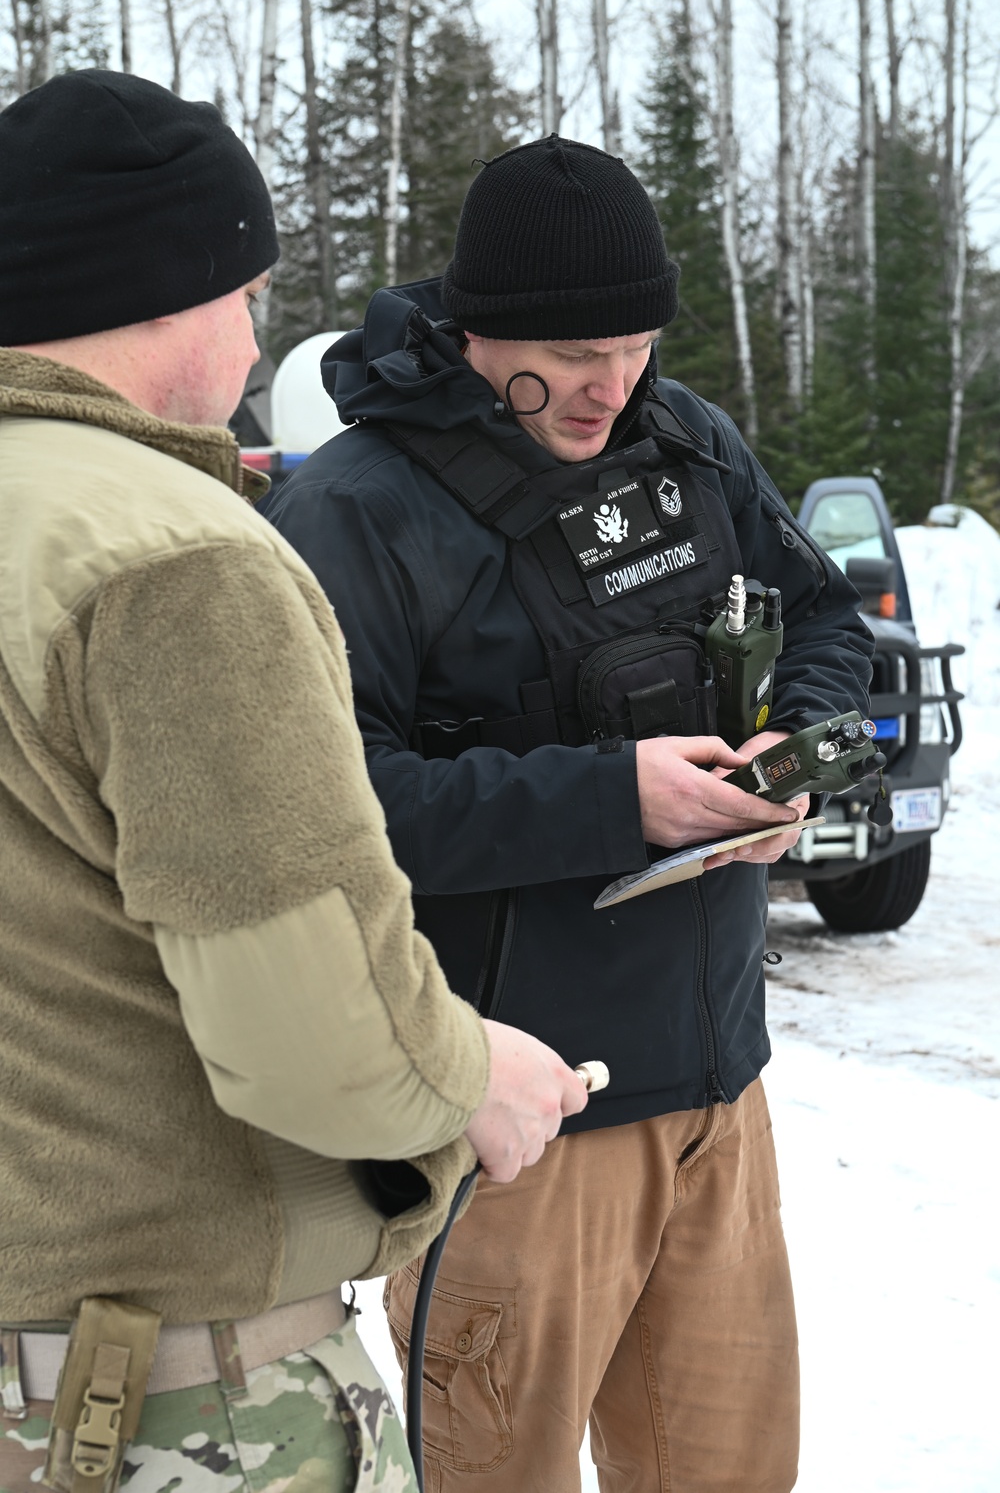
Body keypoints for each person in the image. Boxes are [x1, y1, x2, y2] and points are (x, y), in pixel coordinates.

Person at [0, 76, 588, 1493]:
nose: (258, 337)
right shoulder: (174, 559)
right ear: (165, 288)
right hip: (173, 1408)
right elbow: (314, 1037)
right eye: (247, 291)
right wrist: (471, 1076)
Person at [266, 136, 874, 1493]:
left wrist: (793, 753)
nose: (610, 387)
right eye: (573, 354)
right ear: (479, 330)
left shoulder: (685, 437)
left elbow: (828, 614)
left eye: (635, 345)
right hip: (517, 1135)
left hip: (719, 1091)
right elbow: (323, 809)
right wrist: (614, 799)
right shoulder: (355, 513)